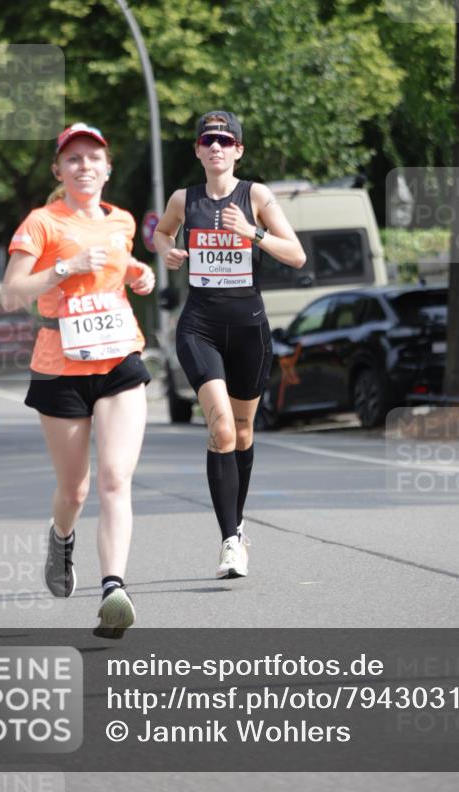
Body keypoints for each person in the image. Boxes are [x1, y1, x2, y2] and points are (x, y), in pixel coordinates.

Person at [1, 122, 156, 630]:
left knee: (116, 479)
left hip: (118, 359)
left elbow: (118, 261)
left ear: (107, 169)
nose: (84, 166)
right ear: (59, 170)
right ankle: (61, 538)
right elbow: (11, 293)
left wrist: (138, 273)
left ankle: (114, 588)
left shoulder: (124, 221)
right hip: (59, 368)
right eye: (74, 159)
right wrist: (64, 269)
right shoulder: (42, 223)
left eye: (93, 158)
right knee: (76, 490)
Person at [153, 110, 306, 578]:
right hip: (199, 326)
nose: (215, 147)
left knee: (242, 434)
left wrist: (253, 233)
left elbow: (296, 255)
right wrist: (168, 251)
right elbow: (159, 232)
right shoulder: (185, 199)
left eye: (224, 140)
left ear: (238, 149)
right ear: (198, 150)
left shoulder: (255, 195)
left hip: (249, 331)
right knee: (220, 429)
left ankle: (236, 527)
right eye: (207, 140)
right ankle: (230, 542)